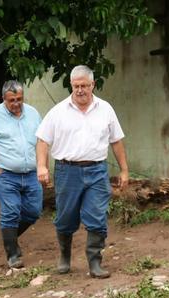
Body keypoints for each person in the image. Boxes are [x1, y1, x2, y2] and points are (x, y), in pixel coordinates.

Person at [36, 65, 129, 278]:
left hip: (97, 170)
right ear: (71, 85)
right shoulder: (58, 112)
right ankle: (64, 255)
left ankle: (95, 261)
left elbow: (116, 141)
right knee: (66, 218)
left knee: (96, 216)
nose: (80, 90)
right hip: (67, 171)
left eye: (84, 86)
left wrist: (124, 170)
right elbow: (42, 140)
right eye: (76, 86)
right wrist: (41, 166)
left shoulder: (105, 109)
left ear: (93, 85)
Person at [0, 80, 43, 268]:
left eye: (19, 99)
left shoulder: (33, 113)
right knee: (11, 210)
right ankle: (12, 253)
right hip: (4, 173)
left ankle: (10, 236)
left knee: (34, 211)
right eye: (11, 100)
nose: (16, 104)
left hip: (31, 173)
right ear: (4, 99)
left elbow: (41, 141)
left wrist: (43, 166)